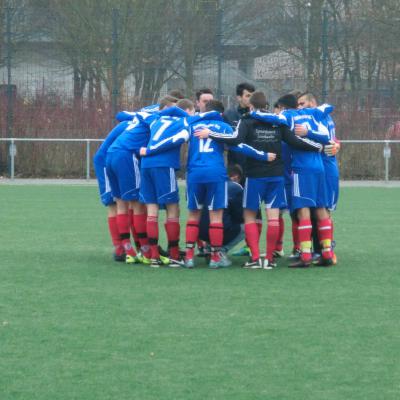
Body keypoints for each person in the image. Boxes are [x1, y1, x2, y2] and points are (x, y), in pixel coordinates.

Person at [196, 91, 325, 269]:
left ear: (251, 106)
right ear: (266, 105)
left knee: (250, 216)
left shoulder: (247, 120)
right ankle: (270, 259)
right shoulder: (277, 123)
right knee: (273, 218)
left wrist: (210, 133)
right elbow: (295, 141)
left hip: (255, 177)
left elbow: (235, 139)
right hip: (276, 176)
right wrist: (319, 146)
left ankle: (256, 258)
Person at [276, 93, 336, 267]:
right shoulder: (313, 114)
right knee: (321, 209)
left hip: (302, 170)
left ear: (283, 107)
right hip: (320, 168)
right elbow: (326, 136)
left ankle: (306, 255)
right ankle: (327, 253)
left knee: (303, 212)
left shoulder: (287, 116)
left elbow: (272, 118)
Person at [139, 99, 196, 267]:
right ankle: (173, 254)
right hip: (163, 166)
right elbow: (176, 140)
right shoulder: (184, 120)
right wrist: (183, 113)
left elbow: (138, 115)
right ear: (186, 110)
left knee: (152, 210)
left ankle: (154, 256)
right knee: (173, 208)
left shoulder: (155, 118)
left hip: (146, 165)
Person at [296, 91, 340, 264]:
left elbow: (330, 139)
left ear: (312, 104)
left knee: (322, 209)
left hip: (325, 168)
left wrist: (335, 145)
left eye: (302, 104)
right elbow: (333, 139)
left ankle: (326, 250)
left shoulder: (317, 118)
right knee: (321, 209)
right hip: (325, 166)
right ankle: (324, 250)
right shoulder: (324, 117)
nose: (299, 108)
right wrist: (336, 144)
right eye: (298, 104)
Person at [198, 164, 245, 267]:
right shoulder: (235, 187)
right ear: (236, 177)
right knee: (246, 225)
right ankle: (220, 251)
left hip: (199, 231)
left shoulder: (209, 183)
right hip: (218, 228)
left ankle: (209, 248)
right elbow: (240, 215)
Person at [224, 82, 256, 169]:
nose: (251, 99)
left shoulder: (259, 116)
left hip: (254, 164)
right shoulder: (229, 115)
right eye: (248, 96)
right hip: (235, 164)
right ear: (239, 98)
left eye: (253, 96)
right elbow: (226, 141)